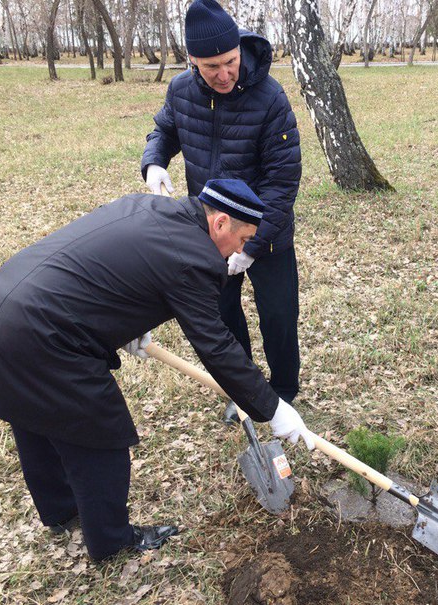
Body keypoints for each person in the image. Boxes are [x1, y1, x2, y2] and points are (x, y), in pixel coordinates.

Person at [0, 179, 314, 562]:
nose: (241, 250)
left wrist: (128, 322)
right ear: (220, 223)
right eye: (244, 240)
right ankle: (111, 541)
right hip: (46, 334)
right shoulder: (195, 257)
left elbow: (115, 263)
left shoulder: (149, 208)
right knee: (100, 437)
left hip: (10, 309)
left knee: (36, 411)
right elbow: (217, 347)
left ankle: (61, 510)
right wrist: (274, 407)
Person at [141, 0, 302, 425]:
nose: (224, 74)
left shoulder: (269, 98)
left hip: (267, 233)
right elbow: (164, 130)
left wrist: (256, 242)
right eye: (212, 66)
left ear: (239, 50)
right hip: (210, 233)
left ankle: (284, 391)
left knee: (279, 316)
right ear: (193, 61)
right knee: (223, 316)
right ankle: (244, 390)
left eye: (230, 62)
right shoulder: (180, 91)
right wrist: (154, 161)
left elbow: (283, 182)